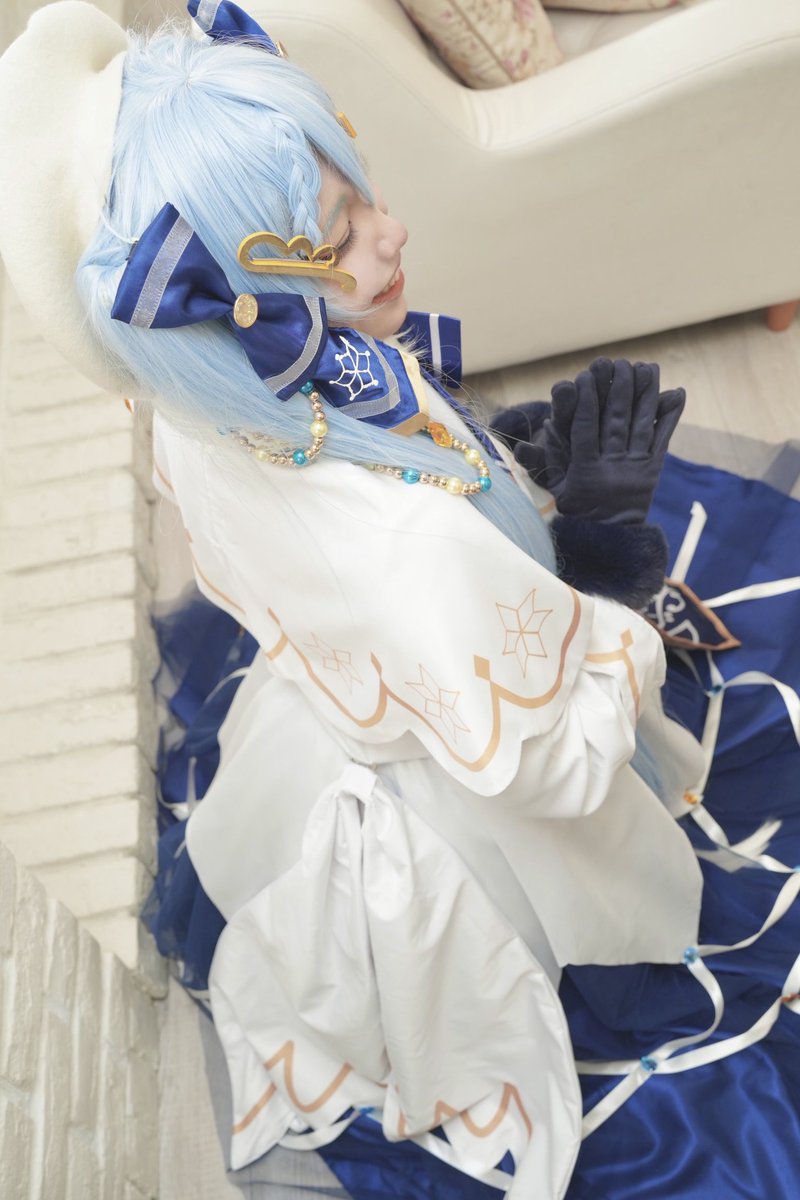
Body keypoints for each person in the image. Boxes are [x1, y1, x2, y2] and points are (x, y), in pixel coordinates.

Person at [1, 4, 799, 1198]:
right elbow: (554, 768)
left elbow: (329, 534)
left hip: (352, 697)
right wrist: (594, 564)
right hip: (469, 805)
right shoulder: (406, 542)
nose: (393, 229)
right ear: (237, 296)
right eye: (341, 230)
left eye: (361, 190)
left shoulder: (201, 408)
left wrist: (498, 480)